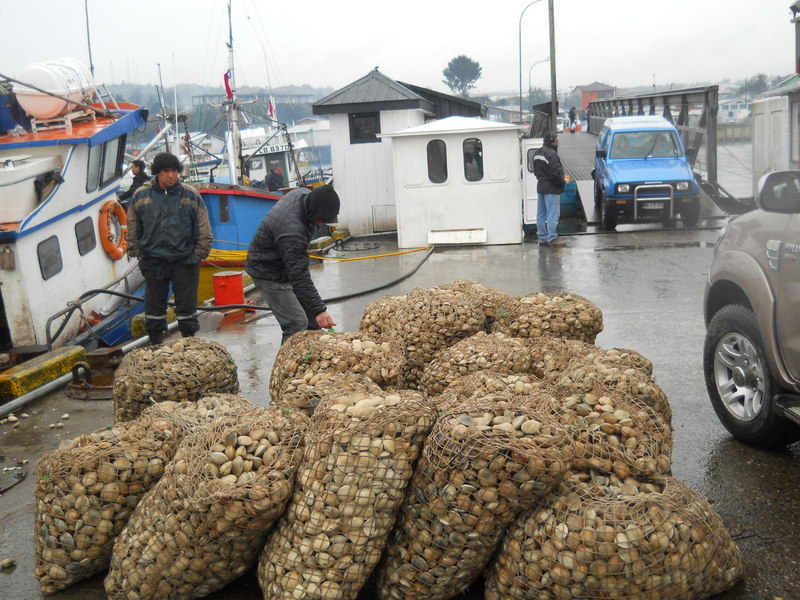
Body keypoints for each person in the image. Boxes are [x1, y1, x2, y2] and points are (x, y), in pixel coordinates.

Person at [126, 152, 212, 345]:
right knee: (154, 310)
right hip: (153, 261)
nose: (171, 175)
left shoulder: (191, 194)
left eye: (174, 171)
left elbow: (203, 228)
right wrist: (139, 255)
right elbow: (132, 228)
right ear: (157, 173)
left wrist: (198, 255)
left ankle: (189, 344)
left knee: (187, 309)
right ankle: (156, 345)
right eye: (166, 171)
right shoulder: (141, 195)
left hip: (185, 261)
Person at [245, 185, 340, 345]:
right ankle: (285, 369)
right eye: (323, 219)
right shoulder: (292, 232)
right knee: (296, 324)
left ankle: (310, 362)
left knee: (312, 321)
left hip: (282, 263)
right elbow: (299, 276)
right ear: (314, 213)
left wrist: (316, 312)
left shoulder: (302, 194)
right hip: (267, 272)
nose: (322, 223)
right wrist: (320, 311)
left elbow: (297, 271)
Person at [533, 131, 566, 247]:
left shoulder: (537, 153)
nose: (557, 142)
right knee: (553, 214)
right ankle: (552, 238)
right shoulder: (551, 154)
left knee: (541, 214)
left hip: (540, 186)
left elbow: (535, 172)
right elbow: (556, 174)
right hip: (551, 188)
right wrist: (562, 183)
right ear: (553, 141)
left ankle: (542, 238)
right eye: (556, 140)